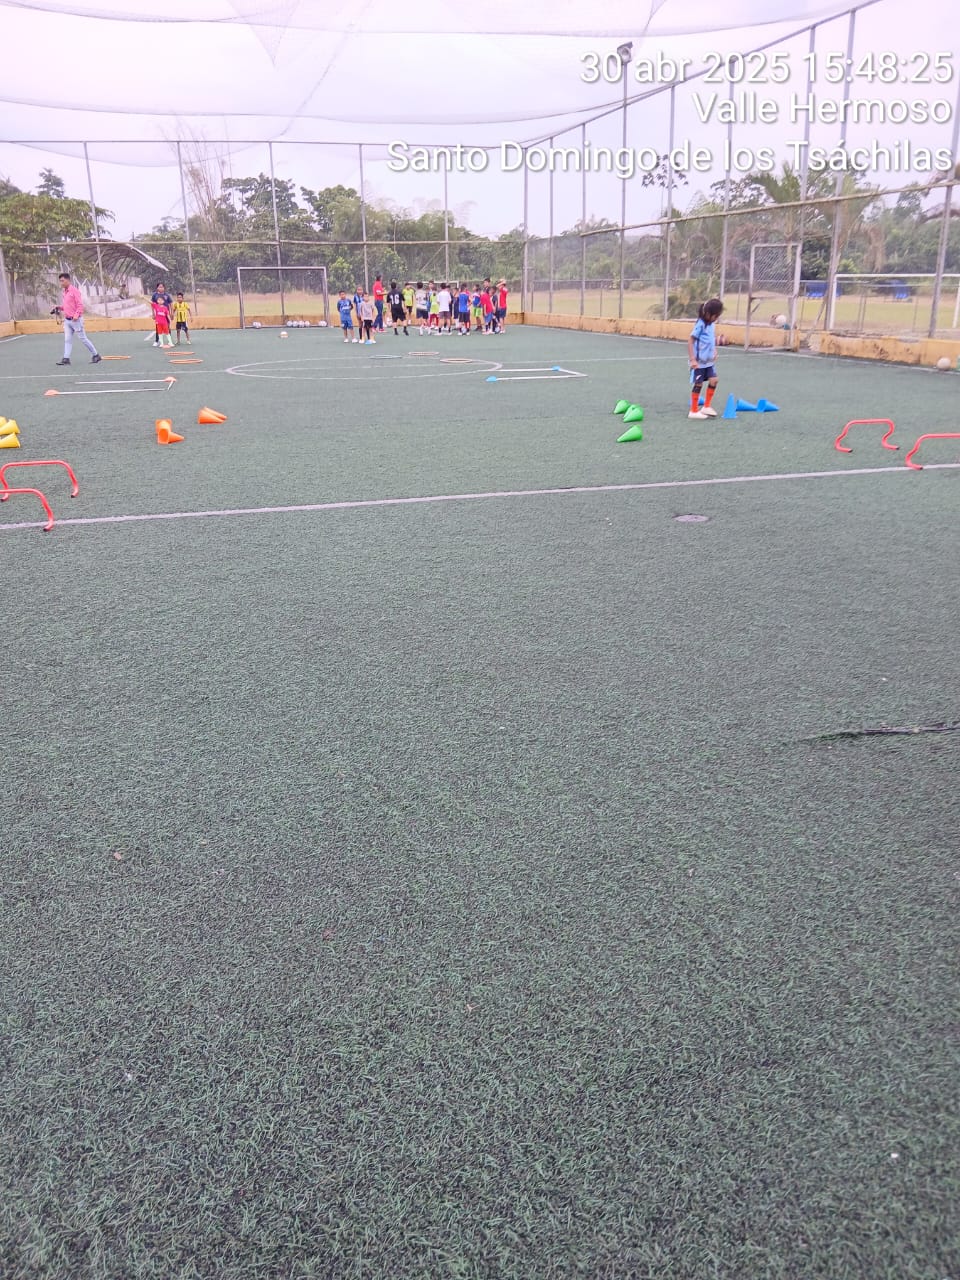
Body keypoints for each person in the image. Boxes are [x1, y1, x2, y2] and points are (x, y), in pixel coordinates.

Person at [687, 297, 724, 419]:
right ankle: (693, 411)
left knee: (714, 380)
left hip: (709, 362)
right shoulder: (700, 325)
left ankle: (706, 406)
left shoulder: (711, 325)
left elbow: (710, 339)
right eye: (715, 315)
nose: (716, 318)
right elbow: (691, 341)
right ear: (708, 314)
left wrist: (714, 350)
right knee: (698, 384)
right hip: (699, 362)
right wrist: (692, 359)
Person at [55, 272, 101, 366]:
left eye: (62, 281)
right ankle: (66, 358)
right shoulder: (65, 292)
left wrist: (76, 315)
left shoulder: (74, 291)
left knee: (83, 338)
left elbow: (80, 305)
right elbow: (67, 306)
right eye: (60, 281)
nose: (61, 283)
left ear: (68, 280)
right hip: (67, 321)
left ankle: (96, 355)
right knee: (67, 340)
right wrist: (59, 307)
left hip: (76, 320)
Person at [149, 280, 173, 346]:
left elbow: (171, 304)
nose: (161, 288)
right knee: (158, 328)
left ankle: (170, 341)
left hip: (166, 314)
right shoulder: (155, 295)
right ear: (157, 288)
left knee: (168, 327)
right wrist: (153, 313)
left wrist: (172, 313)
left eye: (162, 287)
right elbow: (152, 304)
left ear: (164, 288)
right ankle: (157, 341)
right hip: (158, 315)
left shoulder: (167, 295)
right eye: (159, 287)